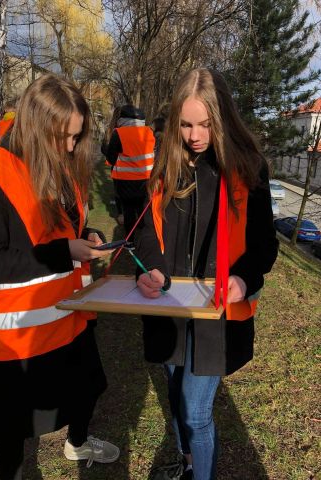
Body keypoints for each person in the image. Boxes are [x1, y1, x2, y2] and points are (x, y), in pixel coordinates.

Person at [0, 73, 120, 480]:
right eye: (63, 137)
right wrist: (63, 252)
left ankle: (77, 444)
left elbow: (65, 230)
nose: (70, 147)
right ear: (34, 126)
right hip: (19, 333)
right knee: (14, 432)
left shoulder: (58, 165)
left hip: (69, 315)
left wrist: (87, 237)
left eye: (76, 136)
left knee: (89, 388)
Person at [135, 68, 279, 480]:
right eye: (185, 124)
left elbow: (264, 245)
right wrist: (154, 270)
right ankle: (187, 463)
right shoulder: (166, 166)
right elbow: (146, 233)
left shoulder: (249, 167)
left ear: (223, 118)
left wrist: (243, 280)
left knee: (196, 412)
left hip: (217, 315)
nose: (194, 135)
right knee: (176, 396)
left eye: (204, 124)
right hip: (170, 308)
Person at [106, 104, 155, 240]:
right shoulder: (149, 131)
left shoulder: (119, 133)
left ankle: (130, 241)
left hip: (125, 180)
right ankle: (144, 237)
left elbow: (111, 158)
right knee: (142, 209)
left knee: (128, 211)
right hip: (146, 179)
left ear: (122, 119)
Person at [101, 106, 124, 225]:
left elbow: (104, 148)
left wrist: (112, 156)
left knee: (118, 190)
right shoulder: (118, 130)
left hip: (116, 167)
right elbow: (104, 147)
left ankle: (121, 214)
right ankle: (123, 214)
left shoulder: (111, 130)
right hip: (127, 167)